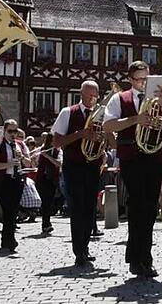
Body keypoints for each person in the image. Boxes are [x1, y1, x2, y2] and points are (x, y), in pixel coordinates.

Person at [103, 61, 162, 277]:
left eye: (146, 79)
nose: (143, 83)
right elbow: (108, 126)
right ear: (130, 80)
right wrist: (137, 119)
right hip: (131, 158)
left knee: (149, 208)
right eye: (138, 79)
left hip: (154, 157)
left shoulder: (161, 99)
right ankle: (140, 258)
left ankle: (139, 256)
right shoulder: (121, 98)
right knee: (138, 204)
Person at [52, 80, 103, 267]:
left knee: (89, 208)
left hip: (93, 166)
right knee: (77, 208)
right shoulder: (68, 112)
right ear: (81, 94)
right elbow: (57, 142)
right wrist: (80, 134)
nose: (92, 98)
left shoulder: (100, 115)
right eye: (89, 95)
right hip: (73, 166)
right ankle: (78, 251)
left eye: (95, 95)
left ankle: (85, 247)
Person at [0, 119, 29, 253]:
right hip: (3, 181)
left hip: (17, 180)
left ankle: (8, 241)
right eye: (10, 131)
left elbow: (29, 164)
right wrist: (8, 164)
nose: (13, 134)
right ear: (4, 131)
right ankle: (8, 240)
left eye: (15, 131)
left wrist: (22, 157)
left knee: (13, 211)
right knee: (8, 211)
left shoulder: (19, 145)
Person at [35, 132, 62, 234]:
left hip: (51, 179)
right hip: (42, 179)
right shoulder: (42, 149)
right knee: (45, 202)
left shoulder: (58, 151)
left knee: (49, 202)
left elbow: (59, 163)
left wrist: (47, 156)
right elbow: (34, 162)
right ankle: (46, 224)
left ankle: (46, 224)